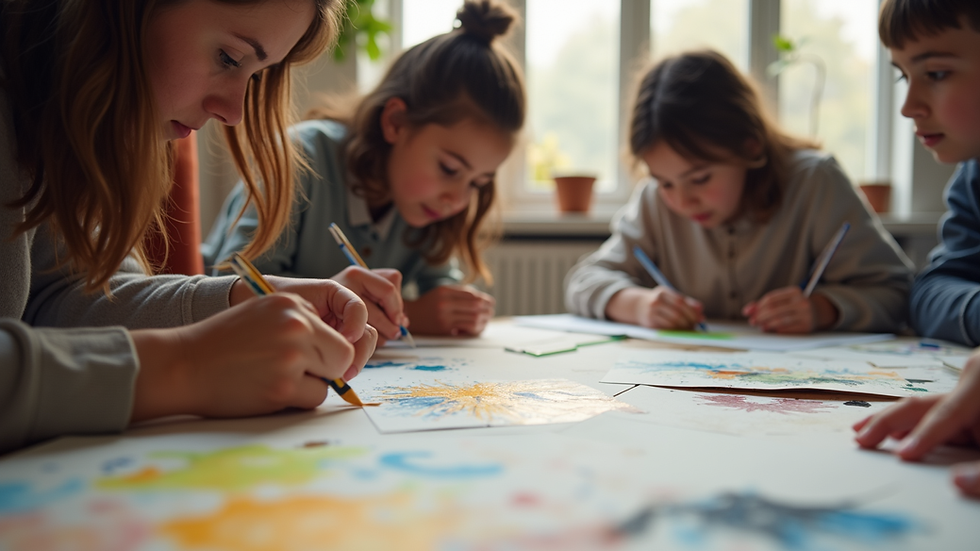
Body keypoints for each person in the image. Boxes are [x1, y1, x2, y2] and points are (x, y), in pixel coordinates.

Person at [0, 0, 378, 456]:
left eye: (254, 75)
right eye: (229, 58)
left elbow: (63, 296)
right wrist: (185, 367)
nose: (234, 111)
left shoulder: (58, 117)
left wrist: (238, 302)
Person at [204, 0, 525, 340]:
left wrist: (454, 308)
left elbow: (439, 287)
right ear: (396, 123)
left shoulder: (426, 206)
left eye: (478, 183)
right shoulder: (298, 157)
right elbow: (233, 287)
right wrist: (412, 314)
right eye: (449, 169)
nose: (458, 198)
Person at [564, 50, 914, 334]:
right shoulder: (655, 199)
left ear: (750, 147)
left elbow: (900, 293)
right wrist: (637, 305)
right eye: (665, 181)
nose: (681, 201)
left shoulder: (814, 182)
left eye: (700, 178)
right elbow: (583, 280)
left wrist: (823, 309)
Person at [854, 0, 980, 498]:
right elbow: (929, 292)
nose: (909, 106)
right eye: (904, 76)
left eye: (937, 72)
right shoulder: (973, 178)